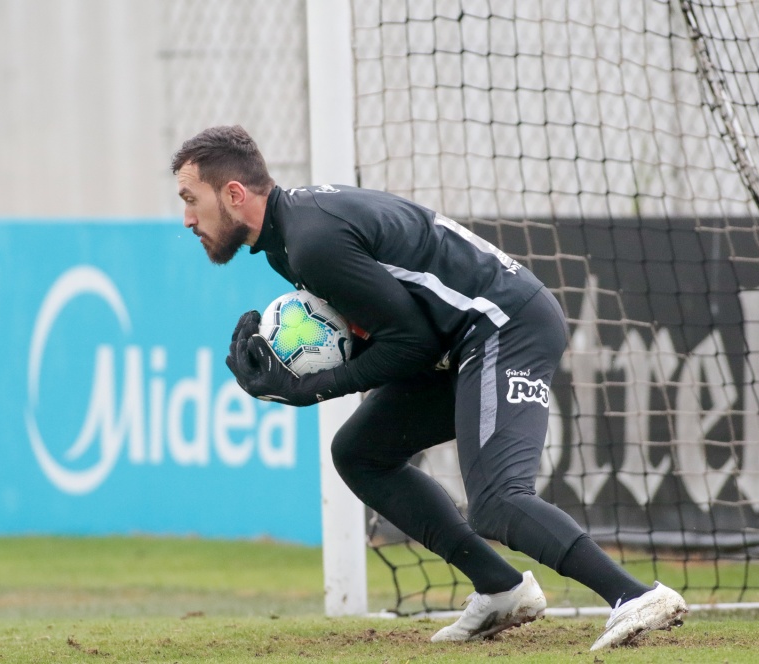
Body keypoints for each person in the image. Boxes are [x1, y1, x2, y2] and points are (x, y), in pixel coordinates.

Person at [171, 125, 688, 649]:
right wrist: (294, 380)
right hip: (459, 342)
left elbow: (411, 343)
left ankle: (635, 596)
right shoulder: (289, 239)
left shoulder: (311, 242)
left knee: (498, 501)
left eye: (192, 199)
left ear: (234, 194)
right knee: (359, 453)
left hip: (504, 327)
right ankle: (500, 588)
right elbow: (399, 332)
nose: (188, 218)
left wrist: (311, 388)